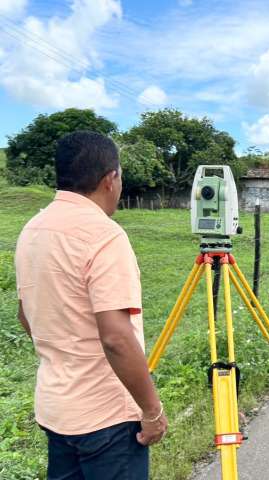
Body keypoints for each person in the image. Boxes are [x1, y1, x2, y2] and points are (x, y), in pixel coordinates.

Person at [15, 131, 168, 479]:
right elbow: (116, 337)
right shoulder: (105, 234)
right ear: (110, 179)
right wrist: (152, 411)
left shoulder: (33, 230)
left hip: (56, 410)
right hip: (107, 419)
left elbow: (26, 316)